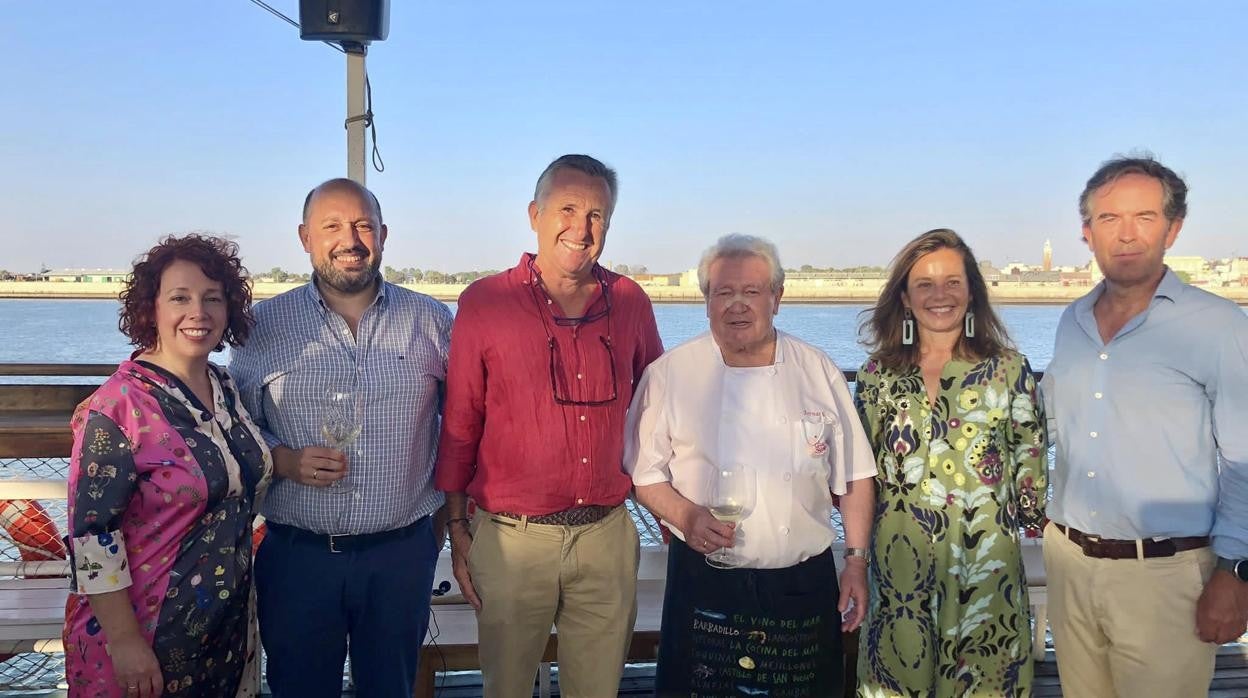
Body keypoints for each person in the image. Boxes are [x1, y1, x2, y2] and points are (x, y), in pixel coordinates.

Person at [435, 154, 663, 697]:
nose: (580, 229)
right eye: (567, 209)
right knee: (507, 689)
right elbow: (461, 421)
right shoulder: (485, 301)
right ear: (535, 214)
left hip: (607, 535)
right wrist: (458, 528)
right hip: (513, 541)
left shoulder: (629, 301)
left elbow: (661, 407)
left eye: (597, 215)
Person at [625, 233, 877, 697]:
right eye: (723, 292)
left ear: (777, 298)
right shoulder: (670, 374)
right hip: (705, 582)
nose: (737, 305)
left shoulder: (816, 371)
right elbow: (644, 475)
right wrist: (685, 515)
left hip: (800, 583)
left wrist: (856, 561)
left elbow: (857, 474)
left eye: (751, 292)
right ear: (706, 300)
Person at [230, 178, 451, 698]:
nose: (349, 239)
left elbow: (463, 425)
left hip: (401, 556)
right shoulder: (263, 326)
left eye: (362, 225)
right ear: (305, 237)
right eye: (332, 226)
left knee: (391, 689)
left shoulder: (432, 320)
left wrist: (445, 528)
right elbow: (235, 427)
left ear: (383, 234)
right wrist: (283, 460)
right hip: (297, 558)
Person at [1042, 156, 1248, 696]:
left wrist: (1235, 572)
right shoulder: (1073, 322)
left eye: (1145, 216)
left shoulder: (1219, 326)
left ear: (1173, 228)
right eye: (1109, 218)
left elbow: (1244, 459)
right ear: (1087, 233)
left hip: (1165, 576)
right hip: (1069, 565)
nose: (1127, 234)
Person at [63, 234, 272, 698]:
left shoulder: (225, 388)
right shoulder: (116, 407)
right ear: (151, 308)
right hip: (145, 639)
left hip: (224, 633)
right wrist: (125, 641)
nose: (198, 312)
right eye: (180, 297)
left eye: (212, 298)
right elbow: (92, 538)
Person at [854, 228, 1047, 697]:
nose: (940, 295)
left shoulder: (1009, 370)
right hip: (901, 574)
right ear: (904, 297)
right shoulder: (877, 376)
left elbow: (1032, 470)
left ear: (972, 292)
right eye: (925, 284)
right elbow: (859, 475)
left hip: (986, 572)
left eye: (953, 282)